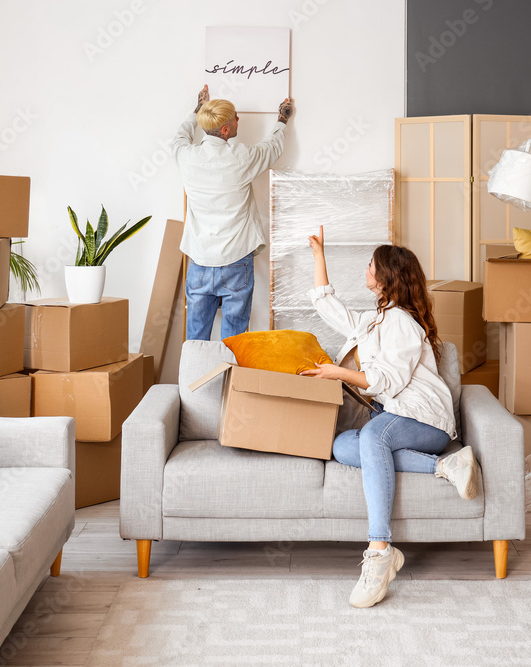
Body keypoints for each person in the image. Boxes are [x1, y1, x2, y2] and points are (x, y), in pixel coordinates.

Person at [300, 226, 480, 608]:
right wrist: (319, 257)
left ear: (385, 277)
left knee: (371, 438)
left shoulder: (400, 321)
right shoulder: (375, 320)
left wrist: (337, 373)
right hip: (398, 419)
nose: (365, 269)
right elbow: (328, 306)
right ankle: (445, 467)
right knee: (342, 445)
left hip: (425, 421)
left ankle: (380, 551)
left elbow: (387, 381)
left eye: (370, 265)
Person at [172, 84, 294, 341]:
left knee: (195, 339)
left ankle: (192, 381)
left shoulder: (186, 156)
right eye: (236, 116)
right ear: (226, 130)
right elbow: (272, 148)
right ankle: (230, 382)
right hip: (236, 261)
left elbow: (179, 137)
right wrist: (282, 119)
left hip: (200, 261)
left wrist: (196, 109)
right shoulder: (241, 156)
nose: (239, 119)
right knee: (234, 341)